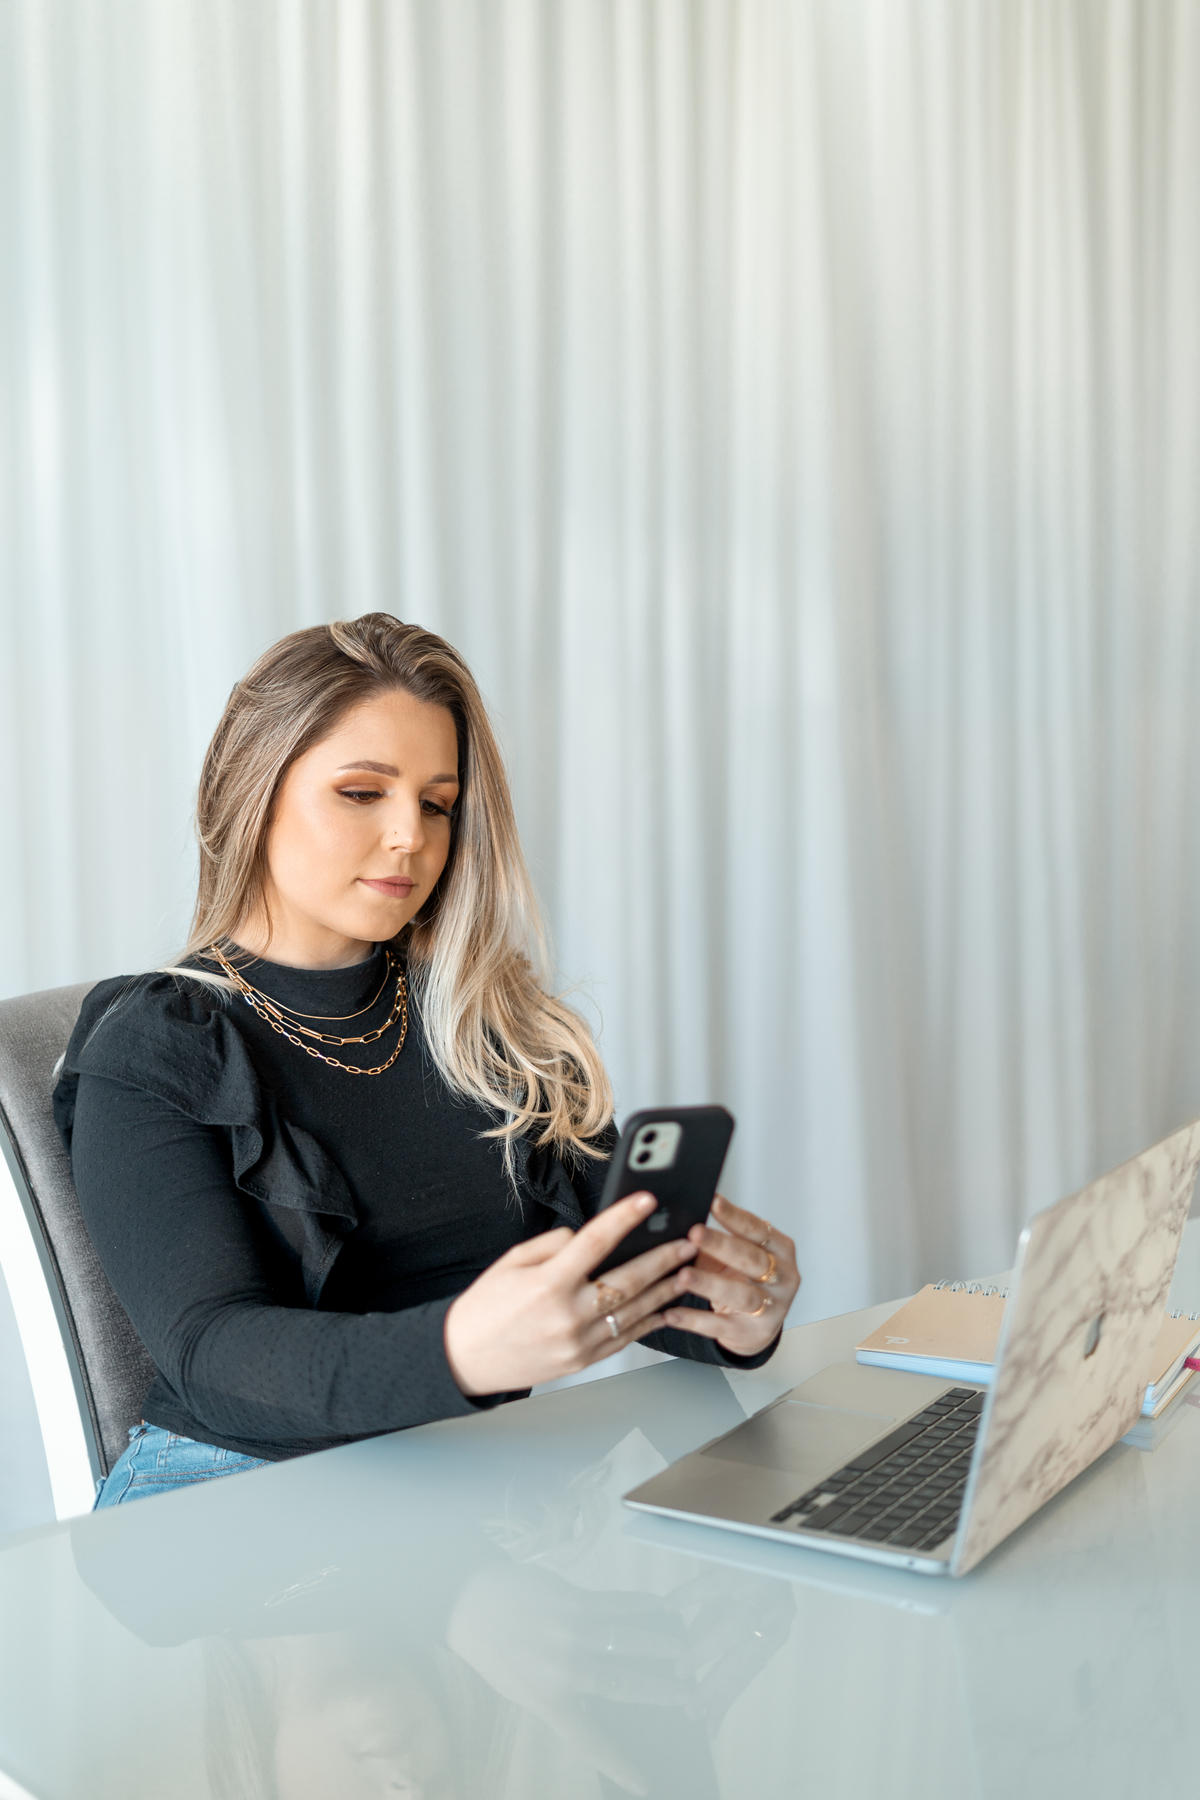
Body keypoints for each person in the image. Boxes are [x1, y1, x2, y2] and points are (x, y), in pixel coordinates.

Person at [53, 614, 800, 1506]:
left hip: (459, 1494)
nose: (411, 835)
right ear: (254, 793)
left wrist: (736, 1317)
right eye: (363, 793)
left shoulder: (479, 1017)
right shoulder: (158, 1038)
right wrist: (459, 1350)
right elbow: (211, 1351)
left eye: (437, 803)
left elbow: (611, 1264)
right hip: (232, 1495)